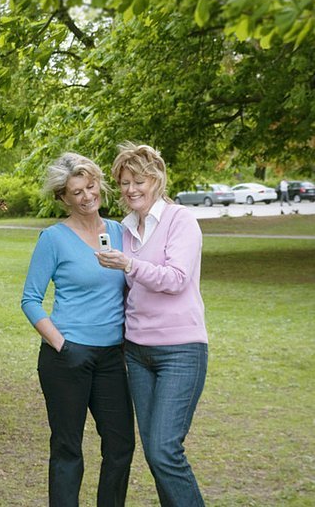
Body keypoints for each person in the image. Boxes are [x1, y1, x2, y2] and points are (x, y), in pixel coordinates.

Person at [96, 142, 208, 507]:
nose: (130, 190)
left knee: (163, 450)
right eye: (125, 182)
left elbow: (176, 279)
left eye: (138, 181)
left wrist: (128, 264)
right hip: (138, 353)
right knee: (156, 455)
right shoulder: (126, 230)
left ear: (156, 179)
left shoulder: (181, 220)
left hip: (181, 350)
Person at [21, 152, 134, 507]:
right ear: (63, 198)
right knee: (68, 449)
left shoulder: (120, 233)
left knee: (120, 446)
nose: (87, 196)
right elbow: (30, 300)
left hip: (112, 357)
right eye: (76, 191)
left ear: (99, 184)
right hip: (67, 357)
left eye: (90, 186)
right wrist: (62, 344)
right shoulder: (53, 239)